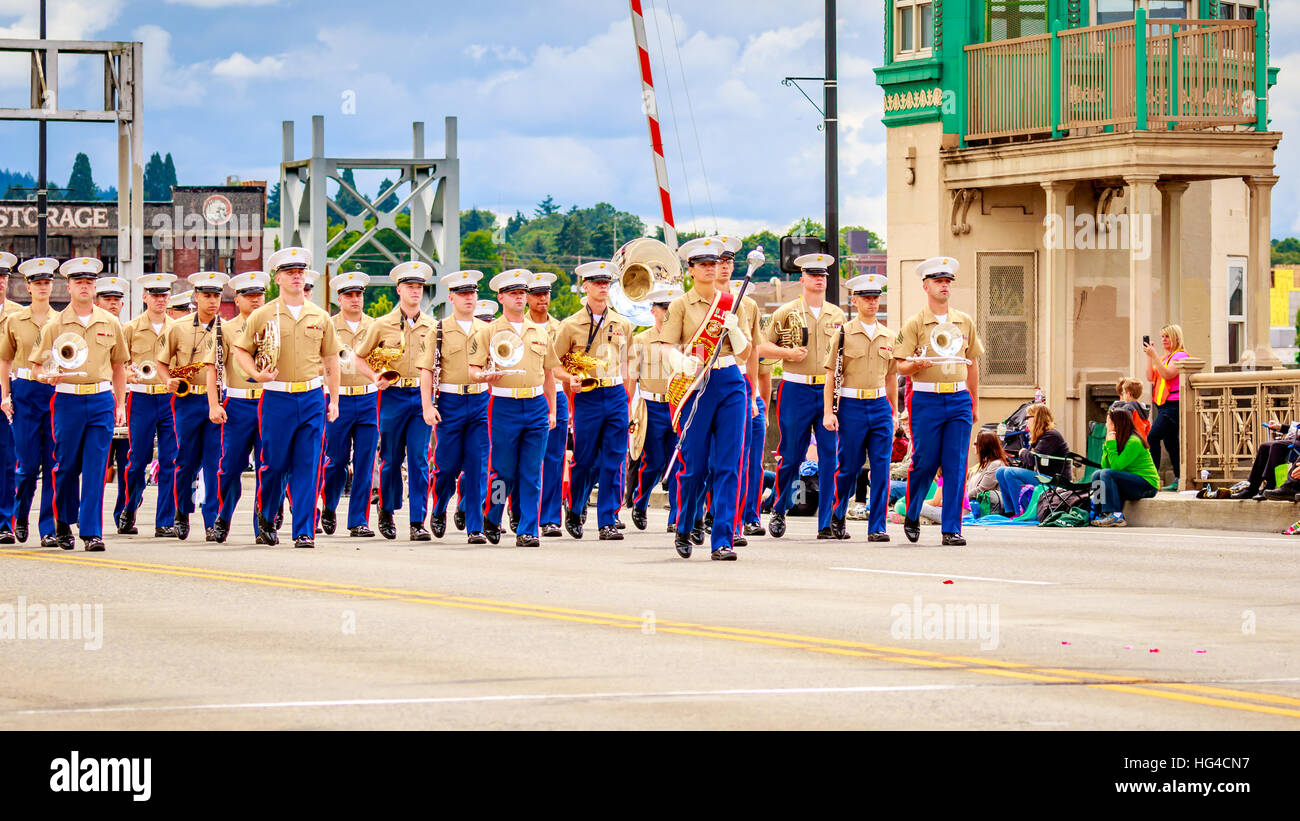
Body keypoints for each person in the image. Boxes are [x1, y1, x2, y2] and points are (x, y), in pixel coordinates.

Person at [234, 246, 342, 548]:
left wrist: (333, 400)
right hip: (276, 398)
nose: (296, 277)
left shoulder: (320, 316)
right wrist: (256, 374)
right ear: (277, 278)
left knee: (309, 465)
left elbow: (331, 359)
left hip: (311, 397)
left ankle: (304, 530)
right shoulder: (263, 314)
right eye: (290, 273)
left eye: (300, 272)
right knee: (274, 464)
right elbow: (241, 350)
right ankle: (267, 516)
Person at [656, 236, 752, 560]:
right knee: (695, 466)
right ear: (691, 269)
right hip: (697, 383)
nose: (712, 269)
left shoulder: (731, 301)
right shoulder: (680, 305)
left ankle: (722, 539)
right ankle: (685, 525)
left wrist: (736, 330)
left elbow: (745, 352)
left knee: (728, 465)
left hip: (730, 382)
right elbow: (666, 345)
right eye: (705, 264)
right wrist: (679, 362)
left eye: (715, 263)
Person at [32, 257, 129, 551]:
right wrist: (46, 376)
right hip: (67, 399)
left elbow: (119, 367)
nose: (84, 286)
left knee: (96, 466)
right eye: (78, 282)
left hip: (100, 398)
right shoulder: (54, 324)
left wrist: (121, 405)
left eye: (89, 282)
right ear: (69, 287)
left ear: (95, 286)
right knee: (66, 466)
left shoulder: (110, 322)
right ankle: (63, 521)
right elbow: (36, 366)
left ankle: (91, 531)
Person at [894, 256, 983, 546]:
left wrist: (974, 403)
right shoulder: (915, 323)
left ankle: (952, 528)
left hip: (957, 397)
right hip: (927, 397)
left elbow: (972, 365)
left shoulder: (964, 321)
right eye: (938, 281)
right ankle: (913, 509)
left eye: (947, 281)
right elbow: (899, 365)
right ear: (925, 286)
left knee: (956, 463)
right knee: (925, 462)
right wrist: (915, 365)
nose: (944, 286)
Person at [469, 269, 558, 547]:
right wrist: (483, 377)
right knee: (503, 472)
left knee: (532, 471)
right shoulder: (488, 331)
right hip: (504, 403)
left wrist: (552, 409)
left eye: (522, 293)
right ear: (501, 297)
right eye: (513, 293)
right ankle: (493, 514)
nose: (519, 298)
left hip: (535, 404)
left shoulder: (539, 332)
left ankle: (528, 529)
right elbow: (473, 369)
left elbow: (550, 374)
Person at [760, 252, 845, 539]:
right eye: (813, 275)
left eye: (823, 275)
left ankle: (826, 523)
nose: (819, 279)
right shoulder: (786, 312)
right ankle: (780, 509)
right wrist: (786, 353)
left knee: (830, 456)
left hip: (826, 388)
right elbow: (760, 347)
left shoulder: (838, 314)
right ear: (802, 279)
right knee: (792, 456)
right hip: (795, 387)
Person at [354, 261, 436, 541]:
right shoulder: (382, 325)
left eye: (419, 287)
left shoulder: (432, 326)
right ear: (399, 289)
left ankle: (417, 521)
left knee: (419, 457)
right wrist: (375, 375)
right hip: (392, 395)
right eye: (410, 286)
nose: (415, 291)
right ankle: (386, 510)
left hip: (420, 396)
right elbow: (358, 356)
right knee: (390, 459)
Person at [554, 261, 634, 541]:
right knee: (585, 459)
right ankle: (575, 509)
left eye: (606, 283)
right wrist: (569, 378)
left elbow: (628, 364)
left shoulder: (622, 323)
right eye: (597, 283)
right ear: (585, 287)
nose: (602, 288)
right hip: (587, 395)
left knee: (614, 460)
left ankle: (608, 520)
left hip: (614, 394)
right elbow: (554, 364)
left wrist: (629, 400)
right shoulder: (570, 325)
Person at [419, 269, 490, 545]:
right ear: (451, 297)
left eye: (472, 293)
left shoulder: (487, 329)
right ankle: (439, 506)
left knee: (477, 465)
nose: (468, 298)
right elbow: (426, 371)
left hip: (481, 401)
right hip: (450, 402)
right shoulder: (438, 330)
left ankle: (475, 526)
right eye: (462, 294)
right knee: (446, 466)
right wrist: (427, 406)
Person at [824, 273, 896, 541]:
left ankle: (877, 526)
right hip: (851, 405)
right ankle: (838, 513)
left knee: (881, 466)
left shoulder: (888, 334)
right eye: (866, 298)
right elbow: (832, 375)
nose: (872, 303)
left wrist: (894, 412)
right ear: (855, 301)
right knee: (849, 467)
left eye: (876, 298)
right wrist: (829, 412)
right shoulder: (843, 334)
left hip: (879, 405)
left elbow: (891, 376)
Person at [159, 271, 226, 541]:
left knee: (213, 462)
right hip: (187, 400)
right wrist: (168, 381)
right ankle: (181, 512)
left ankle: (212, 521)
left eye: (216, 296)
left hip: (217, 401)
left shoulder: (227, 328)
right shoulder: (178, 327)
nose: (212, 301)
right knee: (185, 461)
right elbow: (162, 362)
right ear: (196, 297)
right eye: (207, 296)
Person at [0, 257, 60, 546]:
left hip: (53, 392)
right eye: (37, 283)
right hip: (23, 389)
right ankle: (19, 514)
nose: (42, 287)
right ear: (27, 287)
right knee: (25, 465)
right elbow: (5, 358)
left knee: (52, 464)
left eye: (46, 282)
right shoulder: (14, 320)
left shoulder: (61, 320)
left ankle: (47, 527)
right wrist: (5, 394)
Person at [207, 271, 270, 543]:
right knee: (230, 467)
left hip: (270, 401)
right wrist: (213, 403)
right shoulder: (226, 328)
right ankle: (223, 516)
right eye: (249, 295)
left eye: (259, 295)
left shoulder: (274, 324)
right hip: (239, 403)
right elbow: (213, 367)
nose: (256, 300)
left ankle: (265, 523)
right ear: (237, 298)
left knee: (268, 467)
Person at [316, 271, 379, 538]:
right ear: (339, 299)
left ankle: (358, 521)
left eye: (359, 295)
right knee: (336, 460)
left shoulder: (375, 326)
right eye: (349, 295)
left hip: (368, 397)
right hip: (338, 398)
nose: (355, 300)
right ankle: (330, 505)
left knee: (365, 461)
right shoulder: (327, 325)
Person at [114, 273, 179, 537]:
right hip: (140, 397)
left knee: (169, 460)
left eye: (164, 295)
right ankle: (128, 509)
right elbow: (119, 363)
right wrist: (128, 373)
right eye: (154, 295)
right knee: (137, 459)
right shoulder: (130, 328)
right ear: (144, 297)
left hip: (169, 398)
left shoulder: (177, 327)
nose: (160, 300)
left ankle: (164, 520)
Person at [628, 283, 683, 532]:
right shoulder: (640, 340)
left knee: (679, 462)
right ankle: (640, 501)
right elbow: (631, 379)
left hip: (678, 404)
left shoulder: (687, 340)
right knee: (654, 462)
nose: (667, 311)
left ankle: (676, 517)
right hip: (651, 407)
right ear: (653, 310)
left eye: (671, 307)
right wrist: (629, 412)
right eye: (663, 307)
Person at [521, 271, 567, 538]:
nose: (542, 299)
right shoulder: (516, 327)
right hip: (526, 395)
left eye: (546, 294)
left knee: (553, 459)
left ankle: (549, 517)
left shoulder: (560, 328)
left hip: (556, 395)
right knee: (518, 462)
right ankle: (518, 509)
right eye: (537, 294)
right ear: (527, 298)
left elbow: (565, 365)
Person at [92, 276, 132, 530]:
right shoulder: (93, 329)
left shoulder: (128, 330)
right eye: (107, 299)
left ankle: (123, 516)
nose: (113, 304)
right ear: (98, 301)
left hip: (127, 402)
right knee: (98, 465)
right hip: (100, 400)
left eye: (117, 300)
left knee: (127, 464)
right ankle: (90, 518)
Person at [993, 403, 1069, 517]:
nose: (1026, 420)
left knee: (1010, 473)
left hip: (1054, 480)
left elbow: (1032, 459)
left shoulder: (1051, 435)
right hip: (1041, 476)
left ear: (1038, 418)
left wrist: (1022, 452)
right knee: (1000, 471)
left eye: (1028, 417)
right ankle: (1010, 511)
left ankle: (1021, 512)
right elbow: (1028, 463)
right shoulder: (1038, 437)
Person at [1090, 407, 1159, 526]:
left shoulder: (1134, 442)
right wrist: (1107, 446)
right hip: (1130, 483)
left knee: (1107, 474)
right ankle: (1100, 513)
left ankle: (1116, 515)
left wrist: (1111, 444)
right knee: (1097, 474)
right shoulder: (1119, 439)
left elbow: (1116, 467)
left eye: (1108, 422)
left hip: (1147, 485)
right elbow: (1105, 466)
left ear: (1117, 425)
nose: (1106, 425)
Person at [1144, 324, 1188, 491]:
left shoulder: (1180, 355)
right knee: (1171, 443)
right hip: (1163, 405)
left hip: (1173, 405)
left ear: (1176, 337)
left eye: (1167, 336)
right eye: (1162, 336)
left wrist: (1154, 356)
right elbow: (1150, 376)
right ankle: (1178, 478)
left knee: (1152, 437)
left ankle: (1152, 478)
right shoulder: (1163, 357)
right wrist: (1150, 356)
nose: (1163, 340)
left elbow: (1168, 374)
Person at [0, 253, 23, 543]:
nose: (0, 282)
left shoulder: (19, 315)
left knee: (6, 461)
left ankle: (4, 521)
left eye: (3, 277)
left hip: (6, 394)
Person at [967, 431, 1011, 515]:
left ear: (984, 446)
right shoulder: (981, 466)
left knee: (935, 511)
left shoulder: (996, 464)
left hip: (982, 509)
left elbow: (981, 489)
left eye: (975, 444)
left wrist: (960, 499)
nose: (973, 446)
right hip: (971, 506)